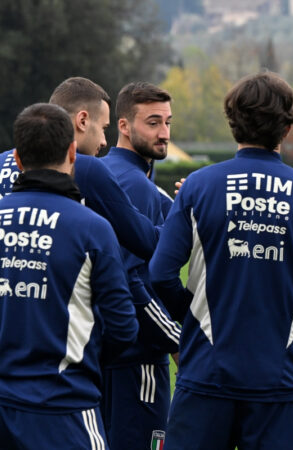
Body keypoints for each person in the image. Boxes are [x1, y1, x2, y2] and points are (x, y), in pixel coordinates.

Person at [149, 72, 293, 450]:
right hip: (277, 378)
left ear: (232, 122)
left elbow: (160, 273)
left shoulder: (198, 185)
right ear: (288, 125)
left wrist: (192, 317)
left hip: (207, 371)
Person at [0, 76, 161, 450]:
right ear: (71, 148)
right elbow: (141, 255)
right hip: (62, 394)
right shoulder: (91, 190)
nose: (103, 144)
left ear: (18, 158)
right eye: (103, 128)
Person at [101, 82, 180, 450]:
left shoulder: (105, 173)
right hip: (137, 356)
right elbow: (130, 277)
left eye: (167, 122)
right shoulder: (134, 184)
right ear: (124, 126)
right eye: (152, 123)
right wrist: (175, 339)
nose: (163, 133)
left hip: (99, 354)